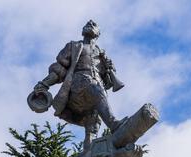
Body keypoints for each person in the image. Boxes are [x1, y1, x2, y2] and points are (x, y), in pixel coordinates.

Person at [33, 20, 126, 149]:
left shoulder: (102, 54)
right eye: (87, 24)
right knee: (95, 89)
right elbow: (59, 69)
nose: (90, 23)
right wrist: (44, 84)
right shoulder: (74, 46)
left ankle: (88, 155)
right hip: (79, 83)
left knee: (93, 125)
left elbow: (109, 83)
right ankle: (114, 124)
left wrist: (110, 70)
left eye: (94, 25)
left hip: (97, 89)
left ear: (98, 34)